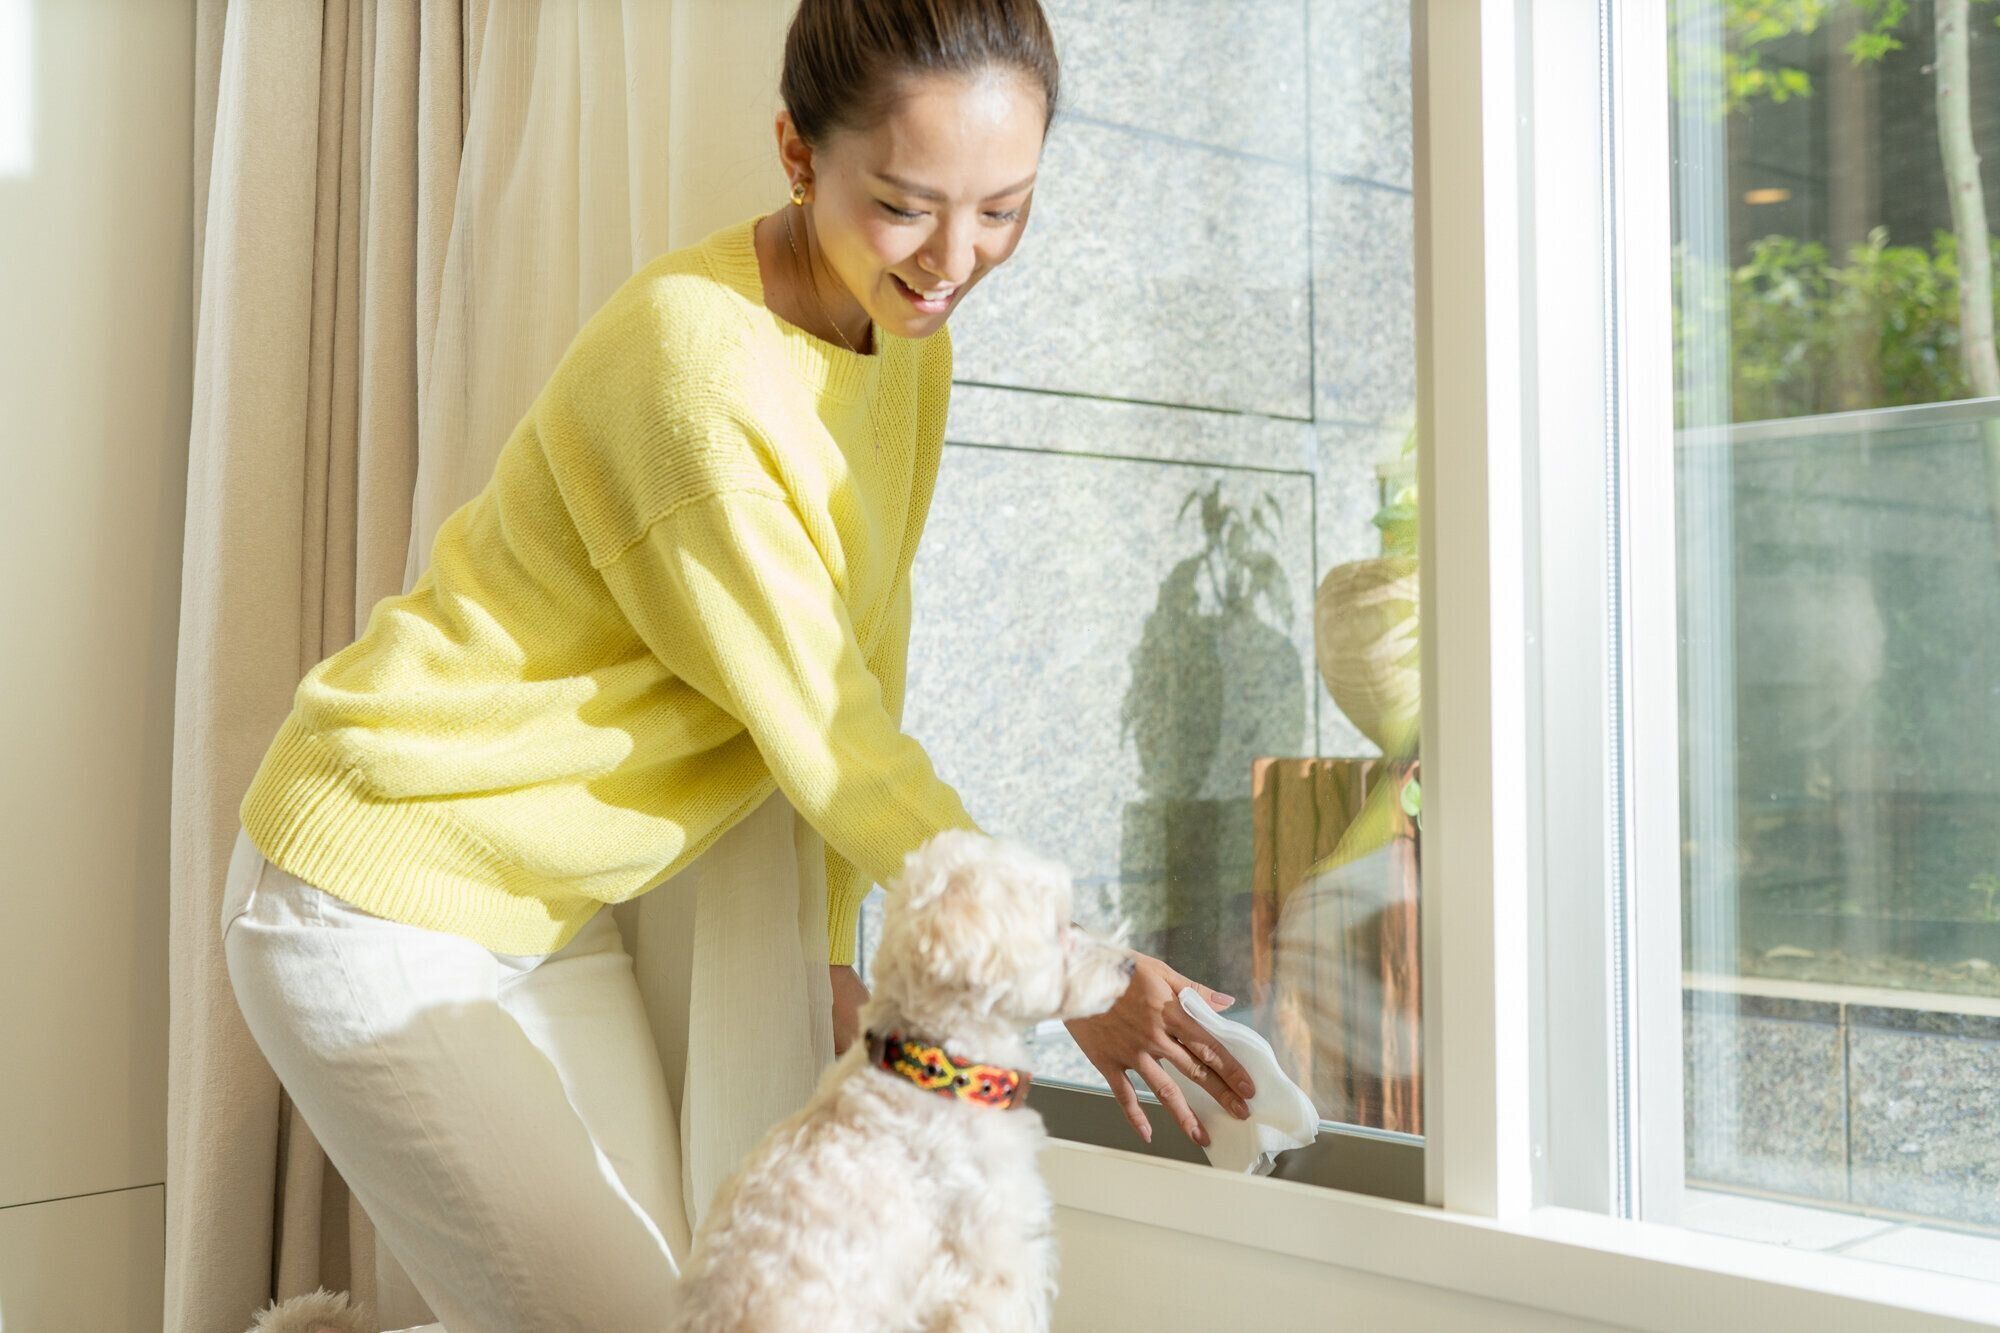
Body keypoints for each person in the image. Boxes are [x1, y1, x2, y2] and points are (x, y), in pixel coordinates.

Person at [219, 0, 1254, 1326]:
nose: (955, 257)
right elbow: (830, 727)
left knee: (678, 1300)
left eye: (1005, 207)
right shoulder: (699, 374)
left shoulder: (899, 337)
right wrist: (1075, 970)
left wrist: (834, 939)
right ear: (795, 152)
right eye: (905, 205)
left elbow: (862, 648)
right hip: (367, 895)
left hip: (550, 913)